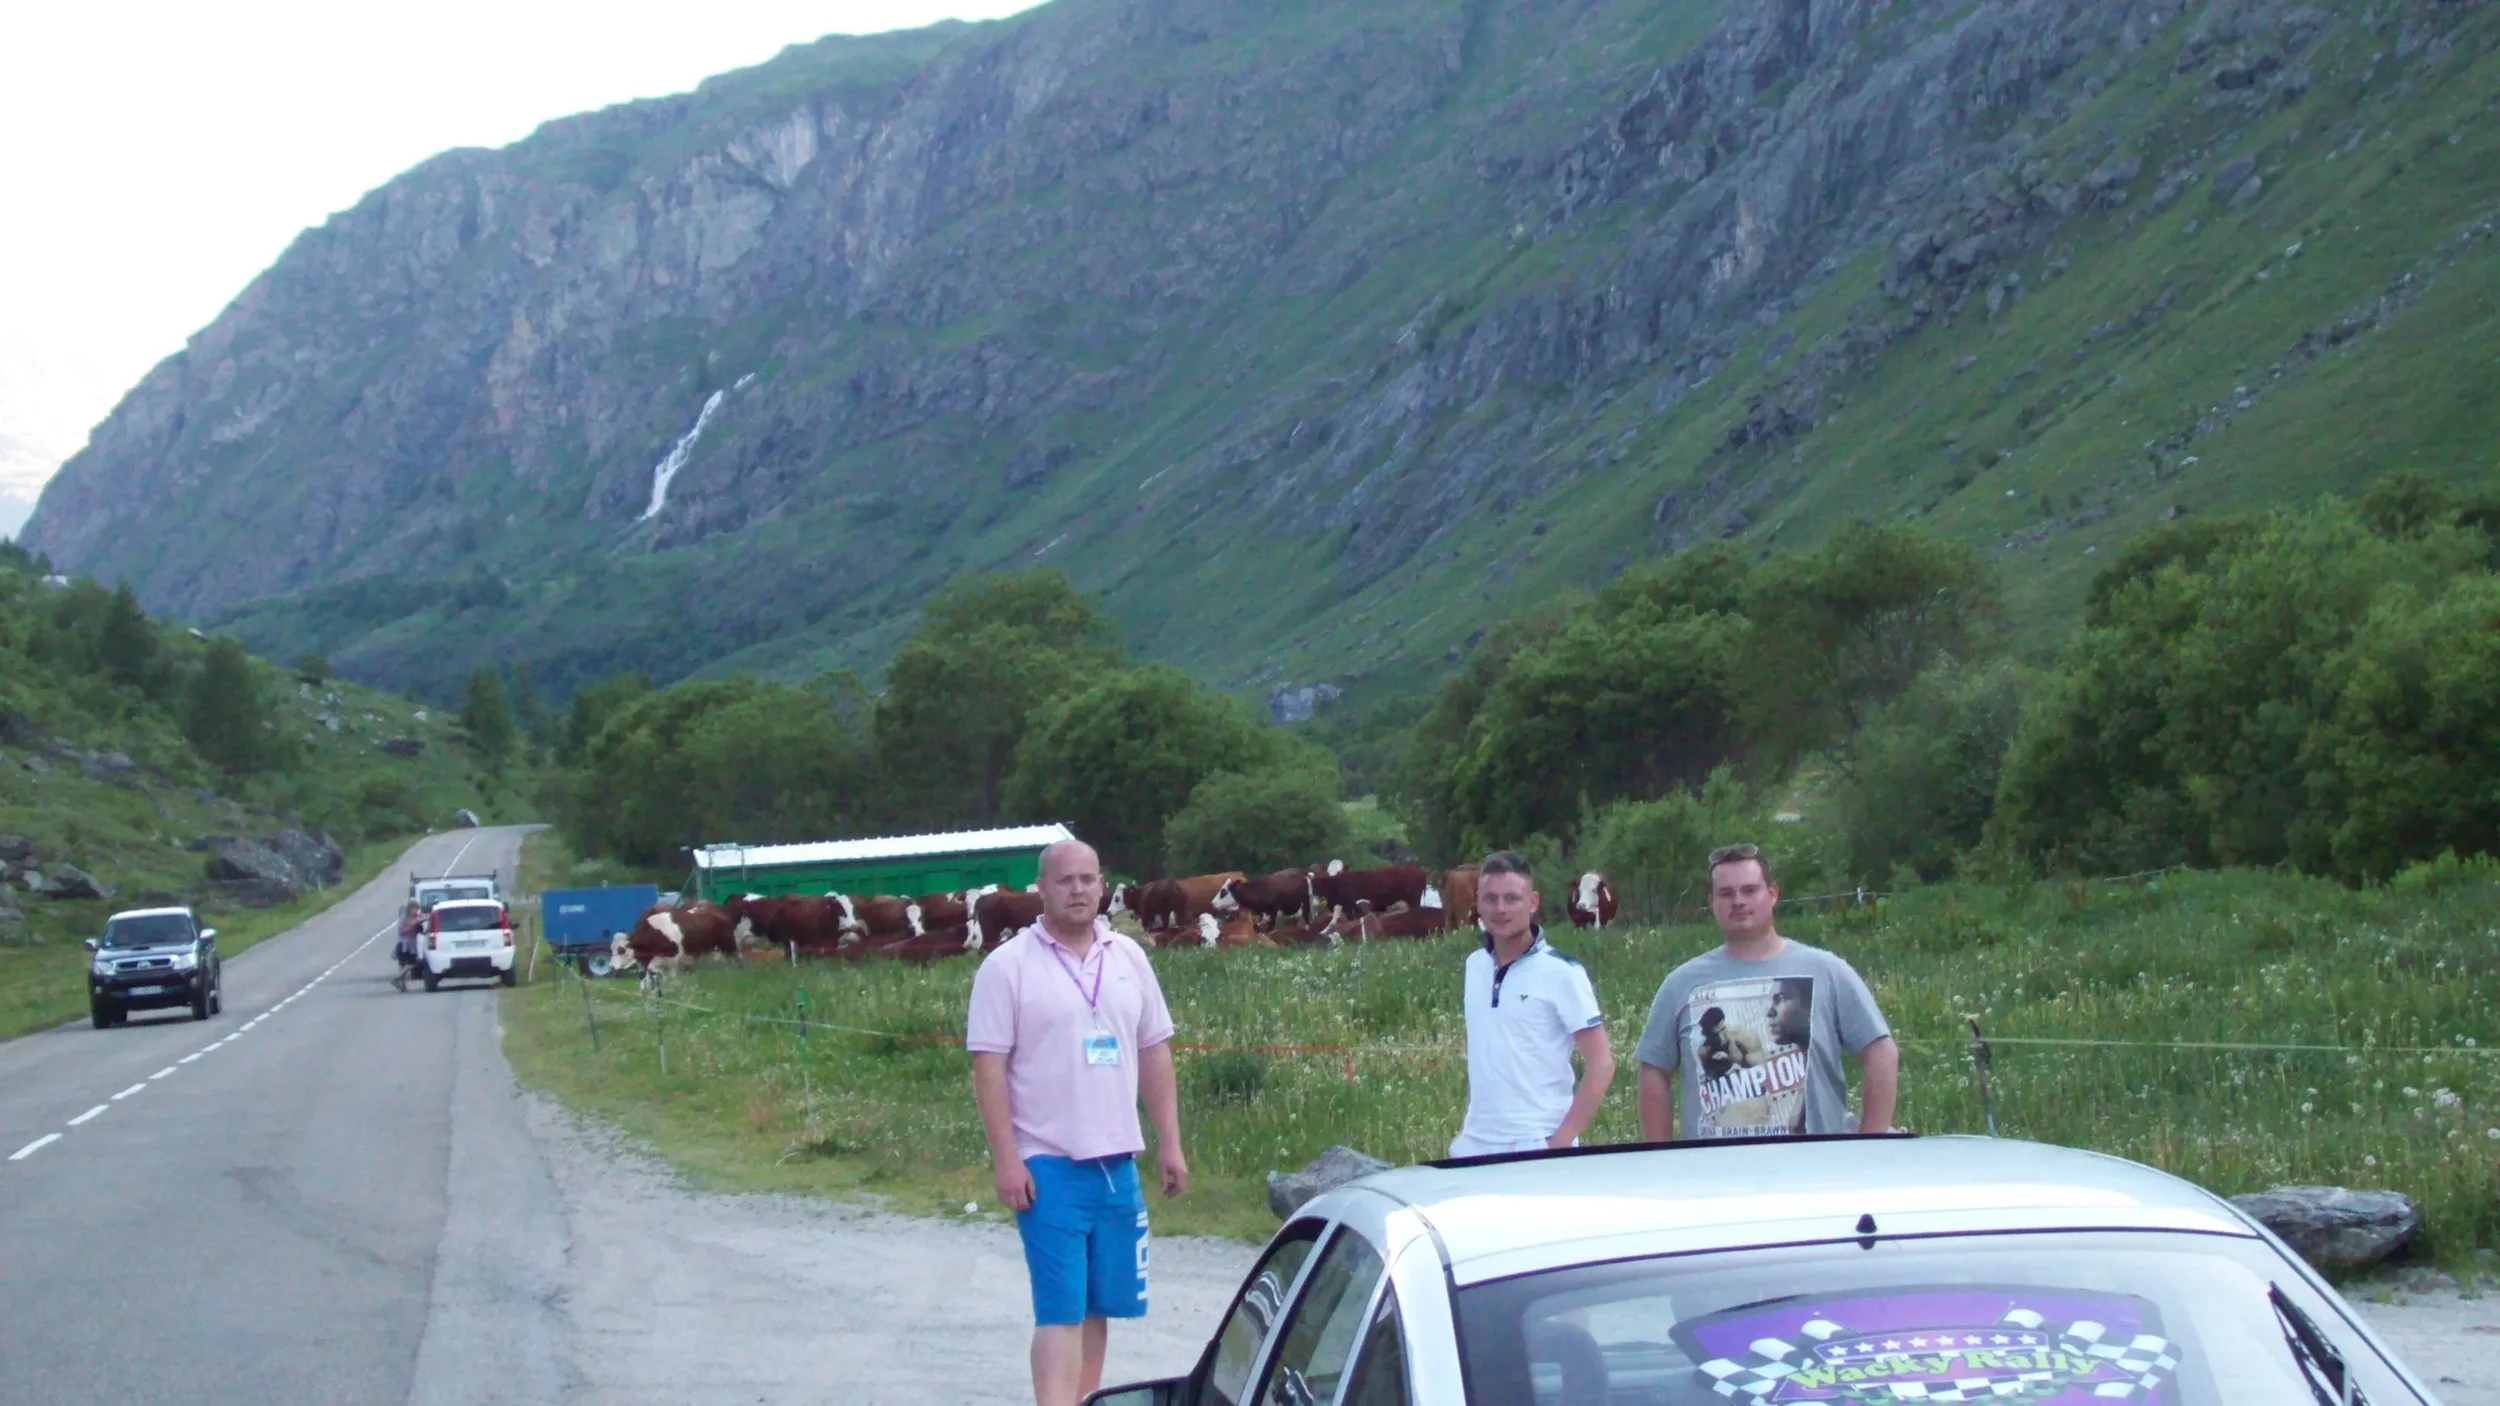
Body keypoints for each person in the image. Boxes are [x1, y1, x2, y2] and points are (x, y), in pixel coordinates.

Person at [967, 840, 1189, 1406]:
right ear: (1042, 888)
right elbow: (988, 1067)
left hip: (1117, 1159)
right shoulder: (1009, 966)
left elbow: (1155, 1050)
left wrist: (1170, 1144)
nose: (1078, 890)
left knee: (1098, 1305)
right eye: (1065, 880)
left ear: (1103, 884)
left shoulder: (1128, 957)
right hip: (1048, 1161)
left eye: (1088, 879)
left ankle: (1086, 1400)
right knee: (1059, 1308)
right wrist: (1007, 1158)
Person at [1635, 843, 1898, 1141]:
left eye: (1750, 890)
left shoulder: (1827, 971)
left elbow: (1881, 1051)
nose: (1738, 901)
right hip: (1710, 1176)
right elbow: (1653, 1069)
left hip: (1815, 1173)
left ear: (1772, 894)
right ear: (1712, 903)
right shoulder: (1681, 984)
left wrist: (1870, 1144)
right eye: (1726, 893)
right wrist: (1661, 1158)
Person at [1449, 850, 1615, 1157]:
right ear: (1478, 902)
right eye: (1491, 899)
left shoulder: (1562, 973)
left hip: (1536, 1142)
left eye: (1512, 898)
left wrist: (1558, 1143)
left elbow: (1602, 1064)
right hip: (1474, 1143)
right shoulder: (1475, 966)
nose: (1500, 909)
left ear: (1533, 902)